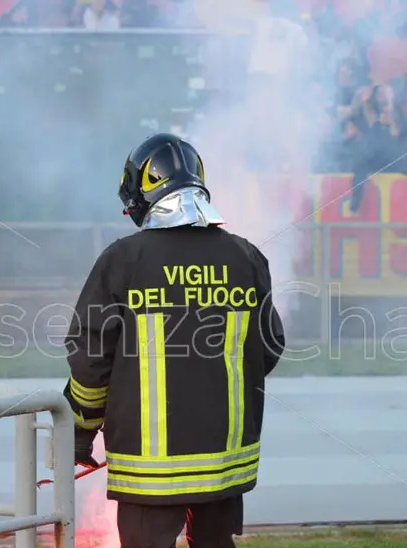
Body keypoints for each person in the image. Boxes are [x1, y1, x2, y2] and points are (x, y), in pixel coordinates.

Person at [64, 133, 286, 548]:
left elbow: (90, 360)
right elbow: (268, 347)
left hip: (151, 472)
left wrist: (81, 430)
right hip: (224, 465)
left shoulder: (124, 259)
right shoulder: (246, 256)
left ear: (141, 192)